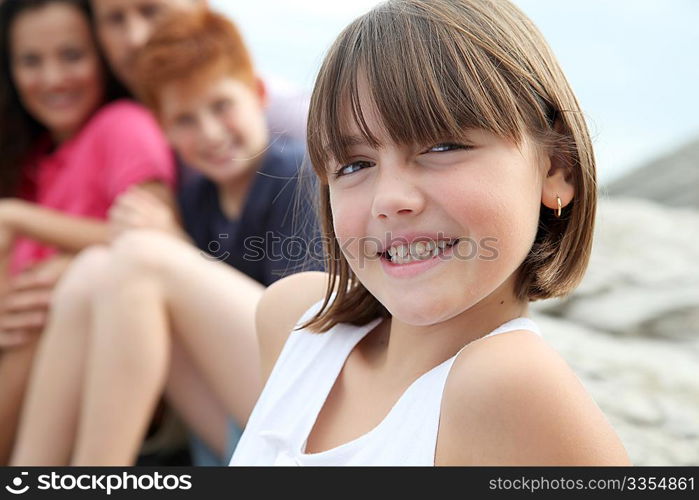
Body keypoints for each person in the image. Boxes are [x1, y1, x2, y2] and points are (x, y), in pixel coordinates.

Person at [229, 0, 631, 465]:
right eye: (355, 164)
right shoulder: (295, 320)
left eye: (442, 146)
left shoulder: (511, 382)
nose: (390, 199)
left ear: (558, 167)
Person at [11, 8, 317, 466]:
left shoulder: (294, 175)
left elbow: (308, 335)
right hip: (235, 422)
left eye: (221, 106)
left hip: (308, 412)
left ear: (255, 93)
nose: (211, 133)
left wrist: (174, 249)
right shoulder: (197, 196)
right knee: (97, 268)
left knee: (141, 257)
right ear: (164, 129)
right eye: (185, 121)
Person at [0, 0, 176, 464]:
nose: (54, 78)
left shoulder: (124, 127)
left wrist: (22, 221)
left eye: (72, 55)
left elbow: (156, 241)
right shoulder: (31, 159)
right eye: (31, 61)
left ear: (100, 56)